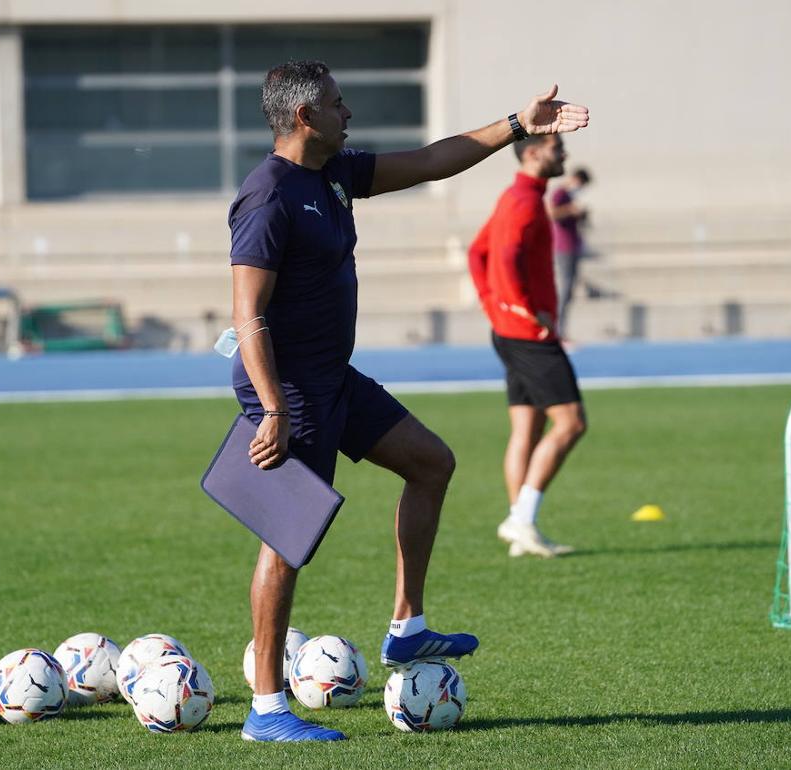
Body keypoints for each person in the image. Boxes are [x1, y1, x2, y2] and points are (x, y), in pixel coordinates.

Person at [227, 60, 588, 742]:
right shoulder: (268, 195)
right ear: (305, 118)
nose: (349, 113)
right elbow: (247, 314)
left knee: (431, 462)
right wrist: (273, 408)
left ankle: (406, 629)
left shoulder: (333, 174)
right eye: (338, 104)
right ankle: (267, 708)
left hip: (333, 378)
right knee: (287, 543)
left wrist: (517, 124)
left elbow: (429, 162)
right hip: (291, 393)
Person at [467, 134, 589, 559]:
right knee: (571, 423)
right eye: (558, 148)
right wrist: (519, 311)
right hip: (527, 336)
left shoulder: (518, 196)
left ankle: (521, 526)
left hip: (508, 332)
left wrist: (492, 305)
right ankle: (521, 519)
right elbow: (501, 258)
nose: (564, 154)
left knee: (527, 430)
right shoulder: (523, 201)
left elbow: (476, 252)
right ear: (534, 153)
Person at [549, 167, 592, 341]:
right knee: (565, 289)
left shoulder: (568, 195)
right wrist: (571, 210)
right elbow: (551, 214)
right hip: (563, 247)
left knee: (569, 290)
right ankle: (557, 331)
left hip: (573, 245)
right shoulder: (560, 193)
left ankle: (561, 330)